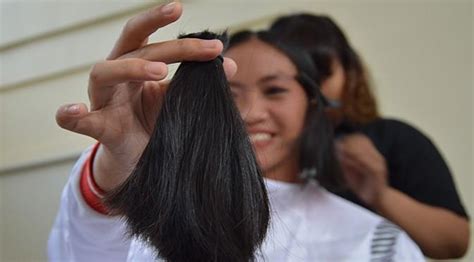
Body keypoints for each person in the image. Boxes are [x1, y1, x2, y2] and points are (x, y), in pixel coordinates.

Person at [48, 2, 424, 261]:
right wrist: (121, 167)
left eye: (275, 90)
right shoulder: (166, 210)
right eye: (230, 95)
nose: (249, 113)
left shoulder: (374, 241)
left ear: (313, 106)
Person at [270, 14, 470, 259]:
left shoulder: (393, 138)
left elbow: (454, 242)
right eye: (297, 80)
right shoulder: (264, 152)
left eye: (321, 75)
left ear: (349, 71)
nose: (312, 92)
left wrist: (380, 195)